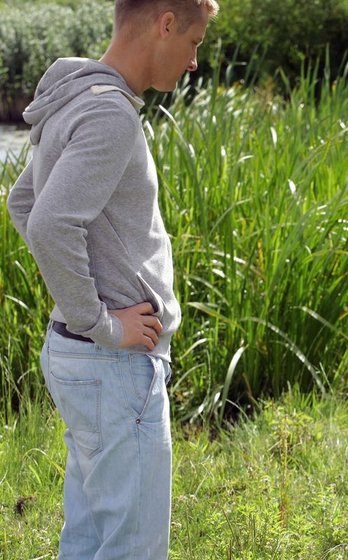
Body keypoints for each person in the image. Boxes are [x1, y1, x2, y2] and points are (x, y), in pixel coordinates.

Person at [6, 0, 218, 557]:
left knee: (89, 533)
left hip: (84, 361)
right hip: (113, 364)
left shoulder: (77, 98)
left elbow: (23, 202)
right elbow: (49, 222)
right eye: (194, 42)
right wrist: (101, 322)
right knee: (132, 546)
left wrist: (86, 297)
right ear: (164, 24)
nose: (194, 61)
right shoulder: (109, 115)